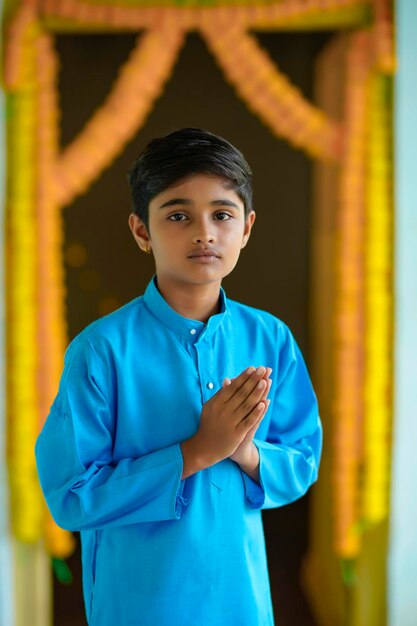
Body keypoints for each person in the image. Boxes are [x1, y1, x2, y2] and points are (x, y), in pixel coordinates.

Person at [35, 127, 323, 625]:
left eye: (222, 214)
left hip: (242, 601)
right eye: (177, 215)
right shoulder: (101, 350)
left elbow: (302, 461)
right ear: (141, 231)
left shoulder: (270, 339)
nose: (204, 232)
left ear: (247, 228)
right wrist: (196, 452)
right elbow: (70, 496)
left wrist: (246, 452)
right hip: (141, 603)